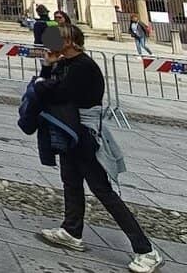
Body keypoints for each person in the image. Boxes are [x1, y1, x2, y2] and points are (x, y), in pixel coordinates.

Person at [27, 24, 162, 273]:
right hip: (70, 131)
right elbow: (48, 86)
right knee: (71, 181)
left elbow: (53, 93)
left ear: (70, 42)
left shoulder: (83, 67)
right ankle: (71, 231)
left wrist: (43, 80)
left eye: (57, 38)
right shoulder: (65, 64)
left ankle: (146, 250)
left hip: (85, 135)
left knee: (103, 191)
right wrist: (47, 66)